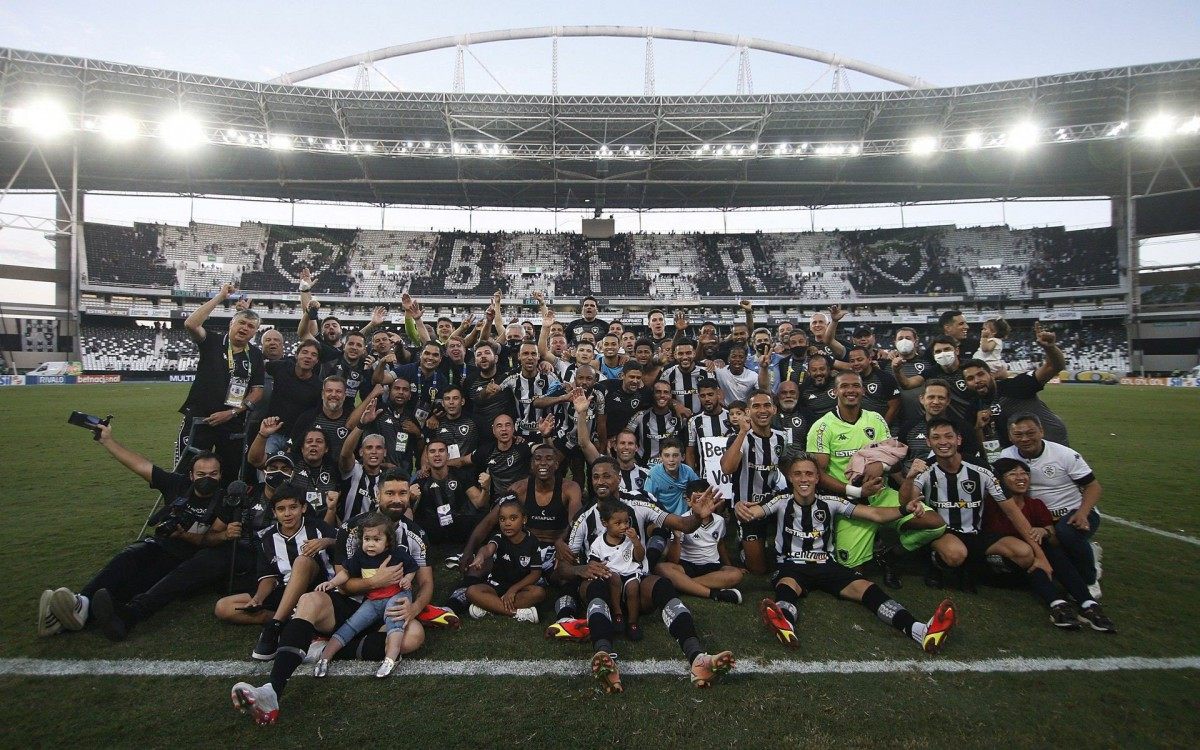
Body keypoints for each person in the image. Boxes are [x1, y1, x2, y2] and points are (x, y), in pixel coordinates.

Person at [230, 472, 435, 725]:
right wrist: (375, 581)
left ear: (409, 496)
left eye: (402, 493)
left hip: (390, 610)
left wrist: (414, 609)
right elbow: (345, 585)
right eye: (389, 493)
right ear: (377, 495)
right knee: (309, 600)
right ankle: (271, 690)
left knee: (415, 636)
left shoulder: (415, 534)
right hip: (352, 604)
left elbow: (426, 583)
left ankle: (322, 647)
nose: (396, 499)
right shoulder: (351, 529)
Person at [736, 452, 956, 653]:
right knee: (787, 585)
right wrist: (741, 508)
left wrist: (903, 509)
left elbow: (875, 515)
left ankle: (919, 630)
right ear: (791, 478)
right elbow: (753, 512)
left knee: (867, 589)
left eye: (809, 474)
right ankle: (785, 622)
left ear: (817, 478)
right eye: (798, 474)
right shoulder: (780, 501)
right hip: (792, 565)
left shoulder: (831, 502)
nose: (804, 479)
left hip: (826, 564)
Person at [44, 424, 244, 641]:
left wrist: (186, 535)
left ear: (221, 475)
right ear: (191, 475)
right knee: (128, 558)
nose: (207, 479)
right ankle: (80, 602)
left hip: (188, 558)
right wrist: (107, 441)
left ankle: (75, 614)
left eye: (213, 474)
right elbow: (139, 465)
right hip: (160, 546)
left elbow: (213, 539)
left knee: (141, 581)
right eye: (201, 474)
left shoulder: (225, 499)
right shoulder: (177, 484)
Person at [564, 460, 735, 693]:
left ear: (618, 478)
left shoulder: (639, 502)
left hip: (636, 585)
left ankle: (698, 658)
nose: (600, 482)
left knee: (664, 586)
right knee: (595, 588)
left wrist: (696, 515)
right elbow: (560, 568)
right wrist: (579, 569)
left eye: (607, 476)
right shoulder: (585, 516)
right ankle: (604, 658)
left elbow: (683, 524)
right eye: (595, 477)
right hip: (604, 587)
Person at [806, 372, 946, 573]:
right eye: (845, 386)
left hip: (881, 495)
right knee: (853, 572)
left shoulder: (876, 419)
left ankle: (890, 553)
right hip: (849, 502)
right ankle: (860, 539)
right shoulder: (821, 427)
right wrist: (857, 492)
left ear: (863, 390)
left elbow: (894, 459)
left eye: (856, 385)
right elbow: (817, 476)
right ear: (835, 391)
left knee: (934, 524)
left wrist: (882, 465)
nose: (851, 390)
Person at [901, 419, 1052, 592]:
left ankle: (976, 569)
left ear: (958, 440)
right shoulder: (925, 469)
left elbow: (1012, 512)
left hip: (976, 533)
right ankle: (934, 562)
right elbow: (906, 504)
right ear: (928, 442)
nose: (943, 442)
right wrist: (910, 478)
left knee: (1024, 554)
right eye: (936, 437)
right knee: (955, 554)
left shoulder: (982, 468)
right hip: (944, 533)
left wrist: (1041, 557)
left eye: (948, 436)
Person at [988, 458, 1116, 632]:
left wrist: (1045, 531)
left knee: (1051, 548)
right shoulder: (991, 506)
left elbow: (1052, 536)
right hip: (1006, 564)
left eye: (1024, 473)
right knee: (1032, 556)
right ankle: (1058, 605)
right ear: (1000, 480)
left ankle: (1087, 604)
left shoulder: (1035, 504)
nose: (1021, 478)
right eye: (1012, 474)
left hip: (1036, 558)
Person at [211, 484, 337, 660]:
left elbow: (345, 541)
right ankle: (288, 619)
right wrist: (258, 598)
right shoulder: (267, 538)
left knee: (302, 561)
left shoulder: (317, 527)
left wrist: (327, 541)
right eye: (281, 509)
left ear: (303, 508)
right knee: (223, 607)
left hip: (317, 589)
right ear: (273, 512)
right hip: (284, 590)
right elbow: (268, 577)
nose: (287, 514)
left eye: (293, 507)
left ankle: (275, 625)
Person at [1001, 414, 1104, 598]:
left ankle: (1090, 579)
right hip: (1039, 519)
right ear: (1010, 437)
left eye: (1030, 433)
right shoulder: (1006, 455)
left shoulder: (1064, 454)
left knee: (1066, 532)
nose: (1025, 439)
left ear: (1042, 431)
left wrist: (1082, 513)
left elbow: (1093, 486)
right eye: (1018, 434)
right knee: (1049, 550)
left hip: (1072, 513)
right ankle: (1086, 553)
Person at [177, 282, 265, 482]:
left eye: (251, 326)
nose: (245, 328)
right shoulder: (213, 342)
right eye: (241, 323)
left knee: (230, 474)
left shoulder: (256, 355)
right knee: (187, 472)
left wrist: (232, 412)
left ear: (255, 333)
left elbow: (257, 391)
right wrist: (220, 297)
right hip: (200, 420)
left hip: (232, 423)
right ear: (231, 324)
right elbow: (191, 324)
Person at [312, 513, 418, 678]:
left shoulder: (396, 553)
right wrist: (332, 583)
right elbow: (345, 573)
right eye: (367, 539)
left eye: (376, 540)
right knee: (351, 624)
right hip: (373, 599)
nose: (370, 544)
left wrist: (407, 579)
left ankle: (391, 657)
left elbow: (412, 567)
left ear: (388, 541)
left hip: (396, 594)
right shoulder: (360, 556)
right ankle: (325, 657)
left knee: (394, 618)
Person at [963, 322, 1070, 459]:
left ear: (991, 374)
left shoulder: (1015, 385)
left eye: (980, 374)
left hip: (1052, 446)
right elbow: (984, 447)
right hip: (1019, 458)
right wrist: (978, 428)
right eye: (971, 378)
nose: (977, 380)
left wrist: (1050, 348)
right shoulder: (974, 407)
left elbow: (1054, 367)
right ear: (966, 383)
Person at [720, 390, 790, 574]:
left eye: (767, 405)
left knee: (785, 561)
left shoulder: (781, 438)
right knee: (758, 570)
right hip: (747, 507)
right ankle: (745, 546)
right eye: (756, 406)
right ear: (748, 412)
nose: (762, 410)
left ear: (774, 409)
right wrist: (743, 431)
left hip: (774, 503)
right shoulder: (739, 439)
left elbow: (786, 468)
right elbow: (727, 468)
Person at [656, 479, 745, 604]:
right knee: (661, 568)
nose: (703, 502)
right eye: (699, 498)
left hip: (711, 565)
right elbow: (673, 561)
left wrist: (729, 565)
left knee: (736, 574)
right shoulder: (683, 520)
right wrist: (676, 537)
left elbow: (720, 544)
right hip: (687, 565)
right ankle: (713, 592)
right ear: (689, 501)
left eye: (706, 497)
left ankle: (683, 585)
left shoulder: (719, 521)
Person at [464, 497, 547, 623]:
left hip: (519, 589)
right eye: (502, 519)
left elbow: (535, 574)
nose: (507, 523)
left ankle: (490, 607)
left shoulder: (532, 542)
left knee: (539, 593)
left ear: (524, 519)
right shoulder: (499, 537)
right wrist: (481, 556)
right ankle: (517, 613)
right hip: (495, 587)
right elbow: (488, 549)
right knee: (471, 591)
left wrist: (513, 590)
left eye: (513, 518)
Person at [588, 501, 646, 640]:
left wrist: (636, 542)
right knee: (614, 578)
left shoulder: (630, 539)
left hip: (630, 571)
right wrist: (597, 569)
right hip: (611, 574)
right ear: (605, 523)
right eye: (618, 523)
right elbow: (593, 562)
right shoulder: (599, 543)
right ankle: (617, 613)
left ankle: (632, 622)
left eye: (626, 522)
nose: (624, 526)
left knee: (633, 588)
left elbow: (639, 557)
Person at [411, 440, 488, 544]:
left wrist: (485, 489)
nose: (437, 454)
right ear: (427, 458)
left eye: (441, 451)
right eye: (432, 451)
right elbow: (409, 513)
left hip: (460, 531)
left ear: (448, 455)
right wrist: (410, 499)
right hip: (433, 535)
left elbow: (479, 503)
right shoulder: (420, 481)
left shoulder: (461, 475)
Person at [901, 378, 986, 473]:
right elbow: (898, 464)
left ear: (948, 401)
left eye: (941, 398)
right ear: (922, 399)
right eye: (931, 397)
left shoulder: (964, 428)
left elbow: (972, 462)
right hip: (916, 482)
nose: (936, 402)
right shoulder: (908, 428)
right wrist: (907, 483)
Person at [891, 335, 974, 422]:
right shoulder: (932, 372)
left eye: (947, 349)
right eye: (938, 351)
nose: (943, 354)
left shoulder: (969, 367)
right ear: (934, 355)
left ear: (956, 350)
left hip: (973, 419)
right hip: (946, 424)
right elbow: (907, 384)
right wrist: (897, 370)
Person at [261, 340, 323, 454]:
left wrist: (295, 441)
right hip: (271, 432)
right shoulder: (282, 367)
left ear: (317, 361)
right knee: (265, 468)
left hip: (296, 439)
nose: (308, 357)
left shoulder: (318, 387)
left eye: (313, 355)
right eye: (305, 352)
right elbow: (259, 366)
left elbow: (312, 417)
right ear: (296, 355)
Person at [626, 380, 688, 467]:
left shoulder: (679, 417)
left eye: (666, 392)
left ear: (670, 396)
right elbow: (626, 435)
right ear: (653, 394)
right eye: (658, 392)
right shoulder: (640, 416)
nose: (662, 395)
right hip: (646, 467)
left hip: (672, 467)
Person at [289, 375, 351, 458]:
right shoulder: (308, 418)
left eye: (338, 391)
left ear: (344, 395)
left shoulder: (350, 420)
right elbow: (291, 449)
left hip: (340, 469)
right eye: (329, 391)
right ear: (322, 394)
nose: (333, 394)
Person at [684, 377, 732, 471]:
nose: (707, 399)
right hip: (706, 477)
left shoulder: (731, 416)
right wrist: (693, 477)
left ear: (718, 394)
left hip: (731, 476)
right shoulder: (693, 421)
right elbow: (690, 453)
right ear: (699, 397)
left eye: (710, 394)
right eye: (703, 396)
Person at [644, 438, 701, 515]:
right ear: (660, 457)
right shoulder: (654, 473)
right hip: (663, 518)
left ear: (683, 457)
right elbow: (647, 499)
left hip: (686, 518)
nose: (671, 460)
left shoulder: (688, 471)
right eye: (667, 456)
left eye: (675, 455)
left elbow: (699, 492)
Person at [847, 345, 901, 425]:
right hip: (858, 427)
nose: (856, 363)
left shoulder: (884, 378)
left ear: (869, 359)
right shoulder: (849, 380)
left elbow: (895, 406)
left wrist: (883, 427)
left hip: (883, 427)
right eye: (852, 361)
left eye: (860, 360)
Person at [661, 338, 704, 415]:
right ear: (675, 355)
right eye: (680, 353)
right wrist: (675, 405)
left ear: (694, 353)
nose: (684, 357)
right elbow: (660, 396)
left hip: (701, 421)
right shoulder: (667, 373)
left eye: (688, 353)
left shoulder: (706, 372)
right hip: (676, 421)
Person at [772, 379, 813, 445]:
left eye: (792, 392)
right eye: (784, 393)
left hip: (800, 454)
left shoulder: (807, 415)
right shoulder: (771, 414)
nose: (788, 396)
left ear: (798, 395)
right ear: (778, 395)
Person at [799, 353, 837, 418]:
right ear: (808, 372)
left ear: (828, 369)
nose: (818, 373)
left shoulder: (838, 383)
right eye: (814, 370)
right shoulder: (803, 390)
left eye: (822, 369)